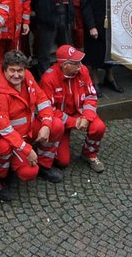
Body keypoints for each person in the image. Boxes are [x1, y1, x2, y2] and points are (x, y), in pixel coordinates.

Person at [0, 50, 62, 182]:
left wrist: (46, 125)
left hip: (28, 132)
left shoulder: (28, 76)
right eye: (12, 70)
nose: (16, 75)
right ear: (4, 70)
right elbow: (5, 130)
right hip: (10, 139)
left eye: (20, 70)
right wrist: (27, 150)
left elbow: (42, 99)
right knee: (29, 172)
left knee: (56, 125)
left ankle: (44, 164)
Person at [38, 44, 106, 172]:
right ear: (65, 65)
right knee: (63, 162)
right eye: (77, 63)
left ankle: (89, 154)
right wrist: (72, 122)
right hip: (61, 121)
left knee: (99, 127)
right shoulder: (48, 79)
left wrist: (86, 117)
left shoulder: (83, 70)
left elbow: (91, 96)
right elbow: (49, 110)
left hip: (79, 114)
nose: (81, 66)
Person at [77, 0, 121, 91]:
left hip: (113, 21)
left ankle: (110, 77)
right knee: (95, 53)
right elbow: (85, 5)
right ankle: (94, 81)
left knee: (110, 52)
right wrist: (91, 26)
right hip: (96, 21)